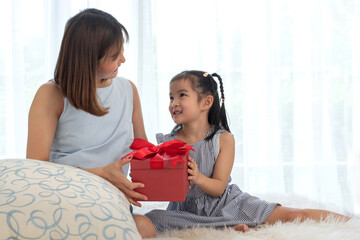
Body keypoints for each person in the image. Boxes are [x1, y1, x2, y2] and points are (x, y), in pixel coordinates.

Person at [144, 70, 350, 234]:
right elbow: (164, 186)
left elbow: (218, 188)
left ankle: (353, 222)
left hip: (226, 205)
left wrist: (197, 177)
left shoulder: (223, 139)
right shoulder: (167, 142)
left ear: (206, 102)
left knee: (295, 215)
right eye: (171, 97)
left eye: (182, 95)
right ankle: (223, 229)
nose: (174, 103)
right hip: (186, 212)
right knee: (147, 220)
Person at [26, 8, 155, 238]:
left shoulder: (128, 90)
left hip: (112, 196)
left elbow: (143, 150)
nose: (123, 60)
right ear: (88, 59)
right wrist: (101, 173)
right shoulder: (51, 94)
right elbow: (37, 170)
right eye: (115, 56)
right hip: (66, 193)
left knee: (146, 227)